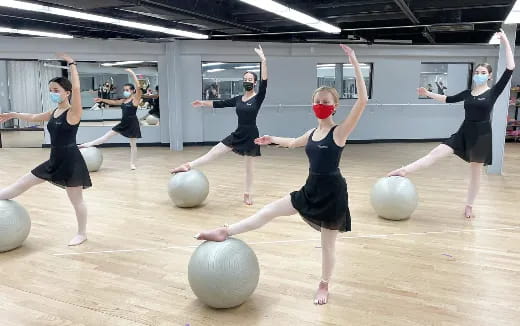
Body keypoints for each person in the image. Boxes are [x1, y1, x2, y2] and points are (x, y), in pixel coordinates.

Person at [194, 45, 368, 305]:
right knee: (267, 212)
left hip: (332, 195)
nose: (320, 105)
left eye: (325, 103)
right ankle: (224, 231)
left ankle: (324, 285)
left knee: (327, 245)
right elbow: (292, 142)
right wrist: (270, 139)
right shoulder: (312, 133)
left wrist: (353, 60)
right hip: (310, 189)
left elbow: (362, 101)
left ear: (334, 107)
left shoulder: (339, 132)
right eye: (317, 102)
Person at [388, 29, 515, 219]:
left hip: (481, 136)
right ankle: (404, 170)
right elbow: (447, 99)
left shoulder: (493, 92)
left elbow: (510, 68)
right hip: (464, 132)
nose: (479, 74)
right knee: (436, 153)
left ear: (489, 76)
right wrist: (427, 93)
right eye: (477, 72)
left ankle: (469, 205)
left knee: (475, 173)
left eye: (483, 72)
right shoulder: (467, 93)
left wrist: (505, 41)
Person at [0, 53, 91, 246]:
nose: (52, 93)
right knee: (22, 183)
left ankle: (82, 233)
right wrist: (14, 114)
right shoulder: (54, 112)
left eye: (56, 90)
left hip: (71, 162)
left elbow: (76, 86)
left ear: (66, 93)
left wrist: (72, 63)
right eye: (50, 89)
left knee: (76, 200)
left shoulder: (73, 112)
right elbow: (34, 117)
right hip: (54, 159)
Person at [171, 45, 268, 205]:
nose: (247, 82)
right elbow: (220, 103)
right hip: (238, 133)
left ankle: (248, 193)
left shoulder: (258, 97)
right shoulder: (238, 99)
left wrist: (263, 60)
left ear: (255, 83)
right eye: (245, 80)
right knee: (214, 151)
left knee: (249, 167)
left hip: (251, 135)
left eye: (250, 80)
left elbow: (265, 82)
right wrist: (203, 102)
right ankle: (188, 165)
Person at [79, 69, 142, 170]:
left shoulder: (136, 99)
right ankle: (84, 145)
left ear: (133, 91)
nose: (125, 92)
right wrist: (102, 100)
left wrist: (132, 73)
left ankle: (132, 164)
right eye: (124, 90)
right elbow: (113, 102)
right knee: (105, 137)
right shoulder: (123, 100)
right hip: (123, 123)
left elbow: (138, 87)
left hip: (132, 124)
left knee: (133, 145)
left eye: (127, 90)